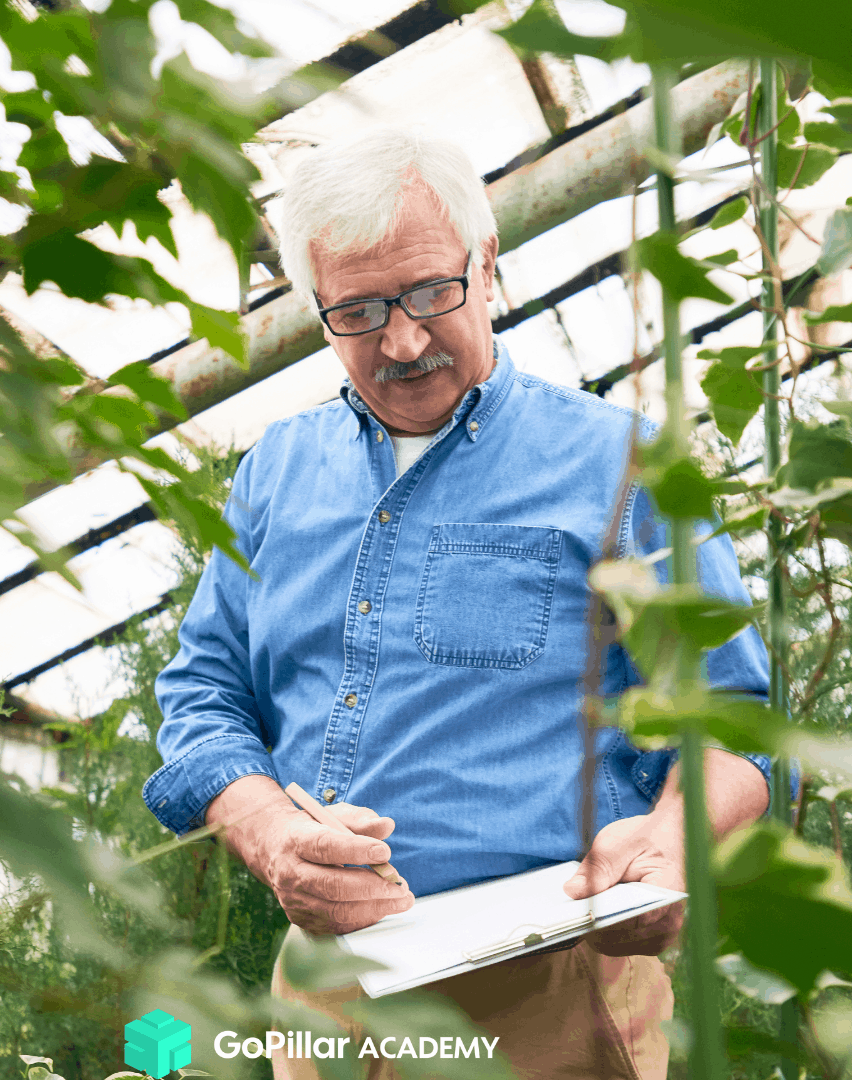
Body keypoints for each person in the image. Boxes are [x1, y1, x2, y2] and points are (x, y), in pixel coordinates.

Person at [141, 129, 771, 1080]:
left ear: (487, 266)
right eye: (356, 311)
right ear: (316, 312)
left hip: (552, 993)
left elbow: (730, 720)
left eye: (431, 292)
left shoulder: (625, 464)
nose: (401, 340)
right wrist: (274, 840)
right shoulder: (273, 472)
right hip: (325, 999)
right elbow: (203, 702)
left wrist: (674, 841)